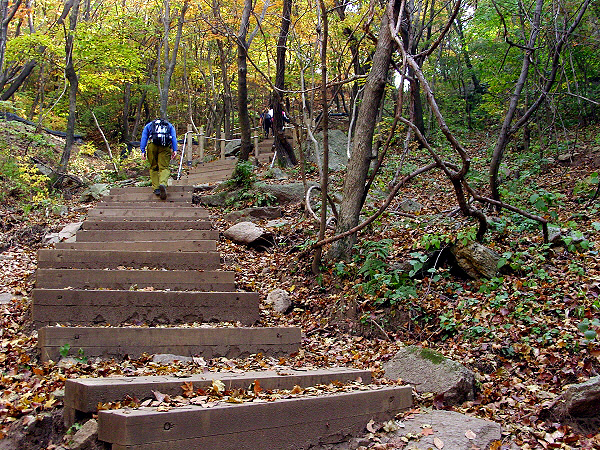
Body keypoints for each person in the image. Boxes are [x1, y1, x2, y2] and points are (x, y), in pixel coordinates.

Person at [140, 118, 178, 200]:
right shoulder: (169, 125)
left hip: (152, 145)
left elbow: (144, 137)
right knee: (164, 167)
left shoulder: (149, 125)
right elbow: (173, 137)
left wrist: (142, 150)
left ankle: (156, 188)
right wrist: (175, 149)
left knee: (154, 167)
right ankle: (163, 184)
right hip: (165, 146)